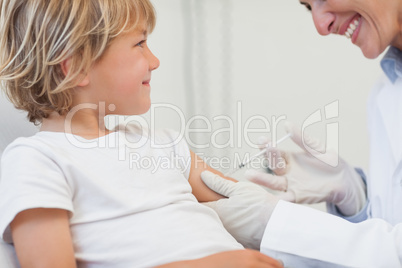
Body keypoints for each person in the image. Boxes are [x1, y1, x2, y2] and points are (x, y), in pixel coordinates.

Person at [0, 1, 284, 268]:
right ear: (76, 67)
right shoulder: (37, 161)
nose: (155, 60)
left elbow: (251, 210)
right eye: (140, 43)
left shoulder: (163, 144)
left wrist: (279, 202)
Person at [201, 0, 402, 267]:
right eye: (308, 7)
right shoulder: (385, 93)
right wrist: (357, 200)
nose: (321, 25)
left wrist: (277, 224)